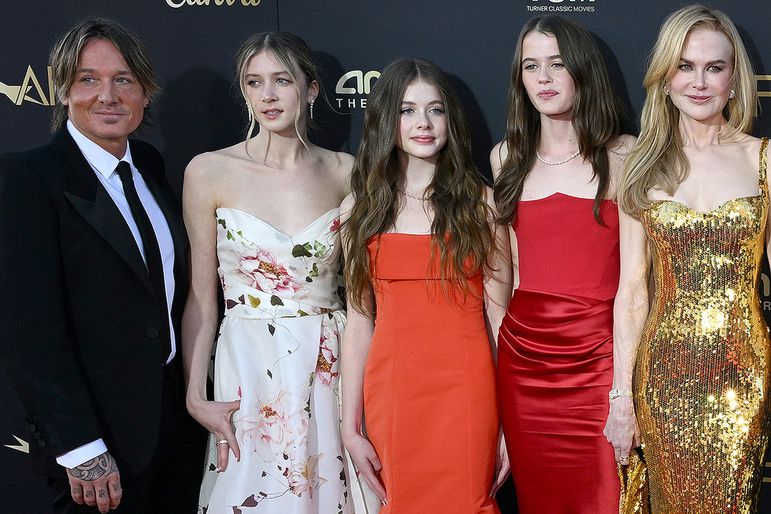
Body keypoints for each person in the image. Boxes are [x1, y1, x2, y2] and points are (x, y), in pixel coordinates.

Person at [0, 16, 205, 514]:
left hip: (176, 432)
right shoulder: (30, 179)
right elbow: (29, 334)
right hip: (100, 447)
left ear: (145, 92)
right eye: (88, 79)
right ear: (63, 91)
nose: (107, 95)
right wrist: (82, 449)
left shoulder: (151, 169)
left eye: (123, 80)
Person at [181, 32, 366, 513]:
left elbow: (366, 295)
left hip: (330, 366)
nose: (267, 95)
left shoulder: (348, 172)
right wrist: (195, 394)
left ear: (310, 90)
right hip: (247, 367)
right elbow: (201, 296)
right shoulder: (208, 171)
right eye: (254, 82)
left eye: (281, 81)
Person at [607, 4, 770, 512]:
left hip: (742, 374)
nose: (699, 82)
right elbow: (631, 294)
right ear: (665, 76)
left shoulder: (762, 159)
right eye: (685, 66)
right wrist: (622, 398)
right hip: (663, 376)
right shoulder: (640, 167)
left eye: (713, 68)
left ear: (733, 79)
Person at [340, 58, 512, 513]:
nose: (423, 123)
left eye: (435, 110)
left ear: (450, 120)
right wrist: (348, 425)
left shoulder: (481, 204)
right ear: (386, 120)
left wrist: (509, 421)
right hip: (393, 391)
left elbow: (500, 317)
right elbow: (359, 321)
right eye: (407, 110)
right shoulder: (362, 208)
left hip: (468, 388)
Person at [491, 15, 634, 514]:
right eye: (532, 66)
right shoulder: (506, 157)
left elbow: (636, 286)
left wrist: (624, 392)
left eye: (557, 64)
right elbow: (503, 282)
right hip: (525, 366)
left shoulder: (623, 156)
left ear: (582, 70)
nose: (544, 78)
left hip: (600, 363)